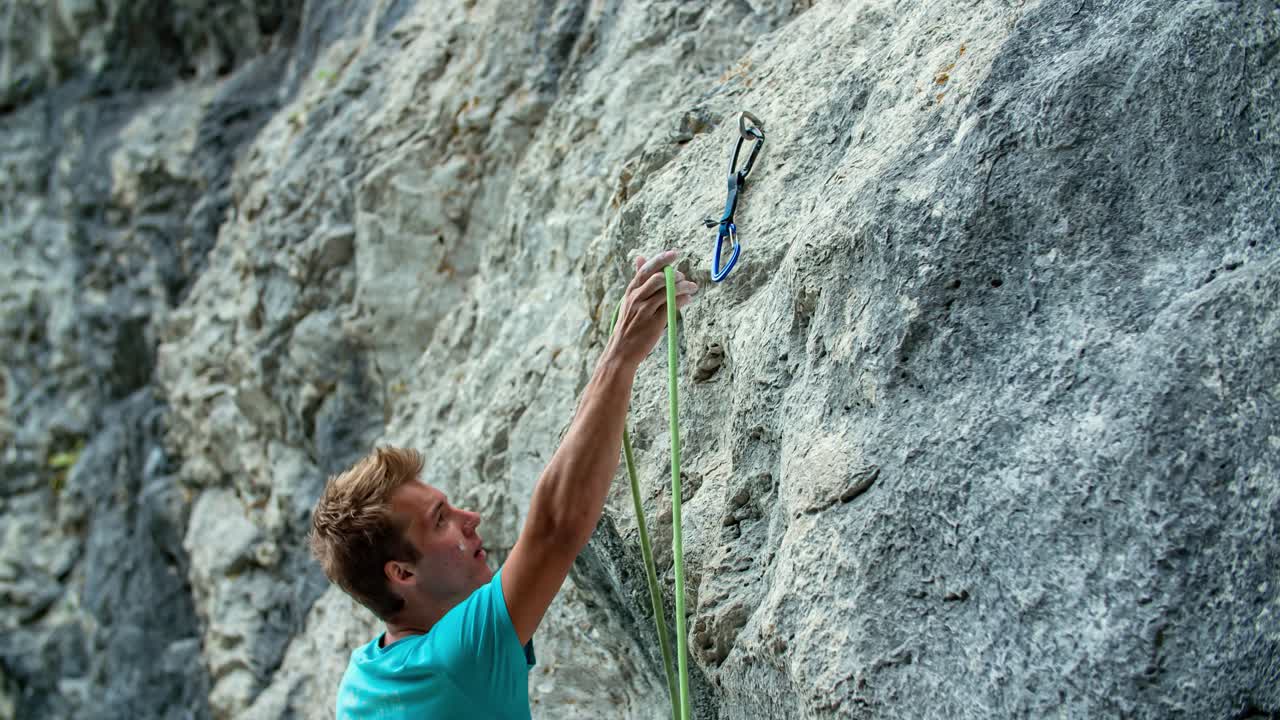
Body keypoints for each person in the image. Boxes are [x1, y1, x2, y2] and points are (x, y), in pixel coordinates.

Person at [309, 250, 698, 719]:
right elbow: (555, 527)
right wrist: (619, 356)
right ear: (402, 573)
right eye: (441, 521)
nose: (470, 519)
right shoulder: (454, 663)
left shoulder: (364, 679)